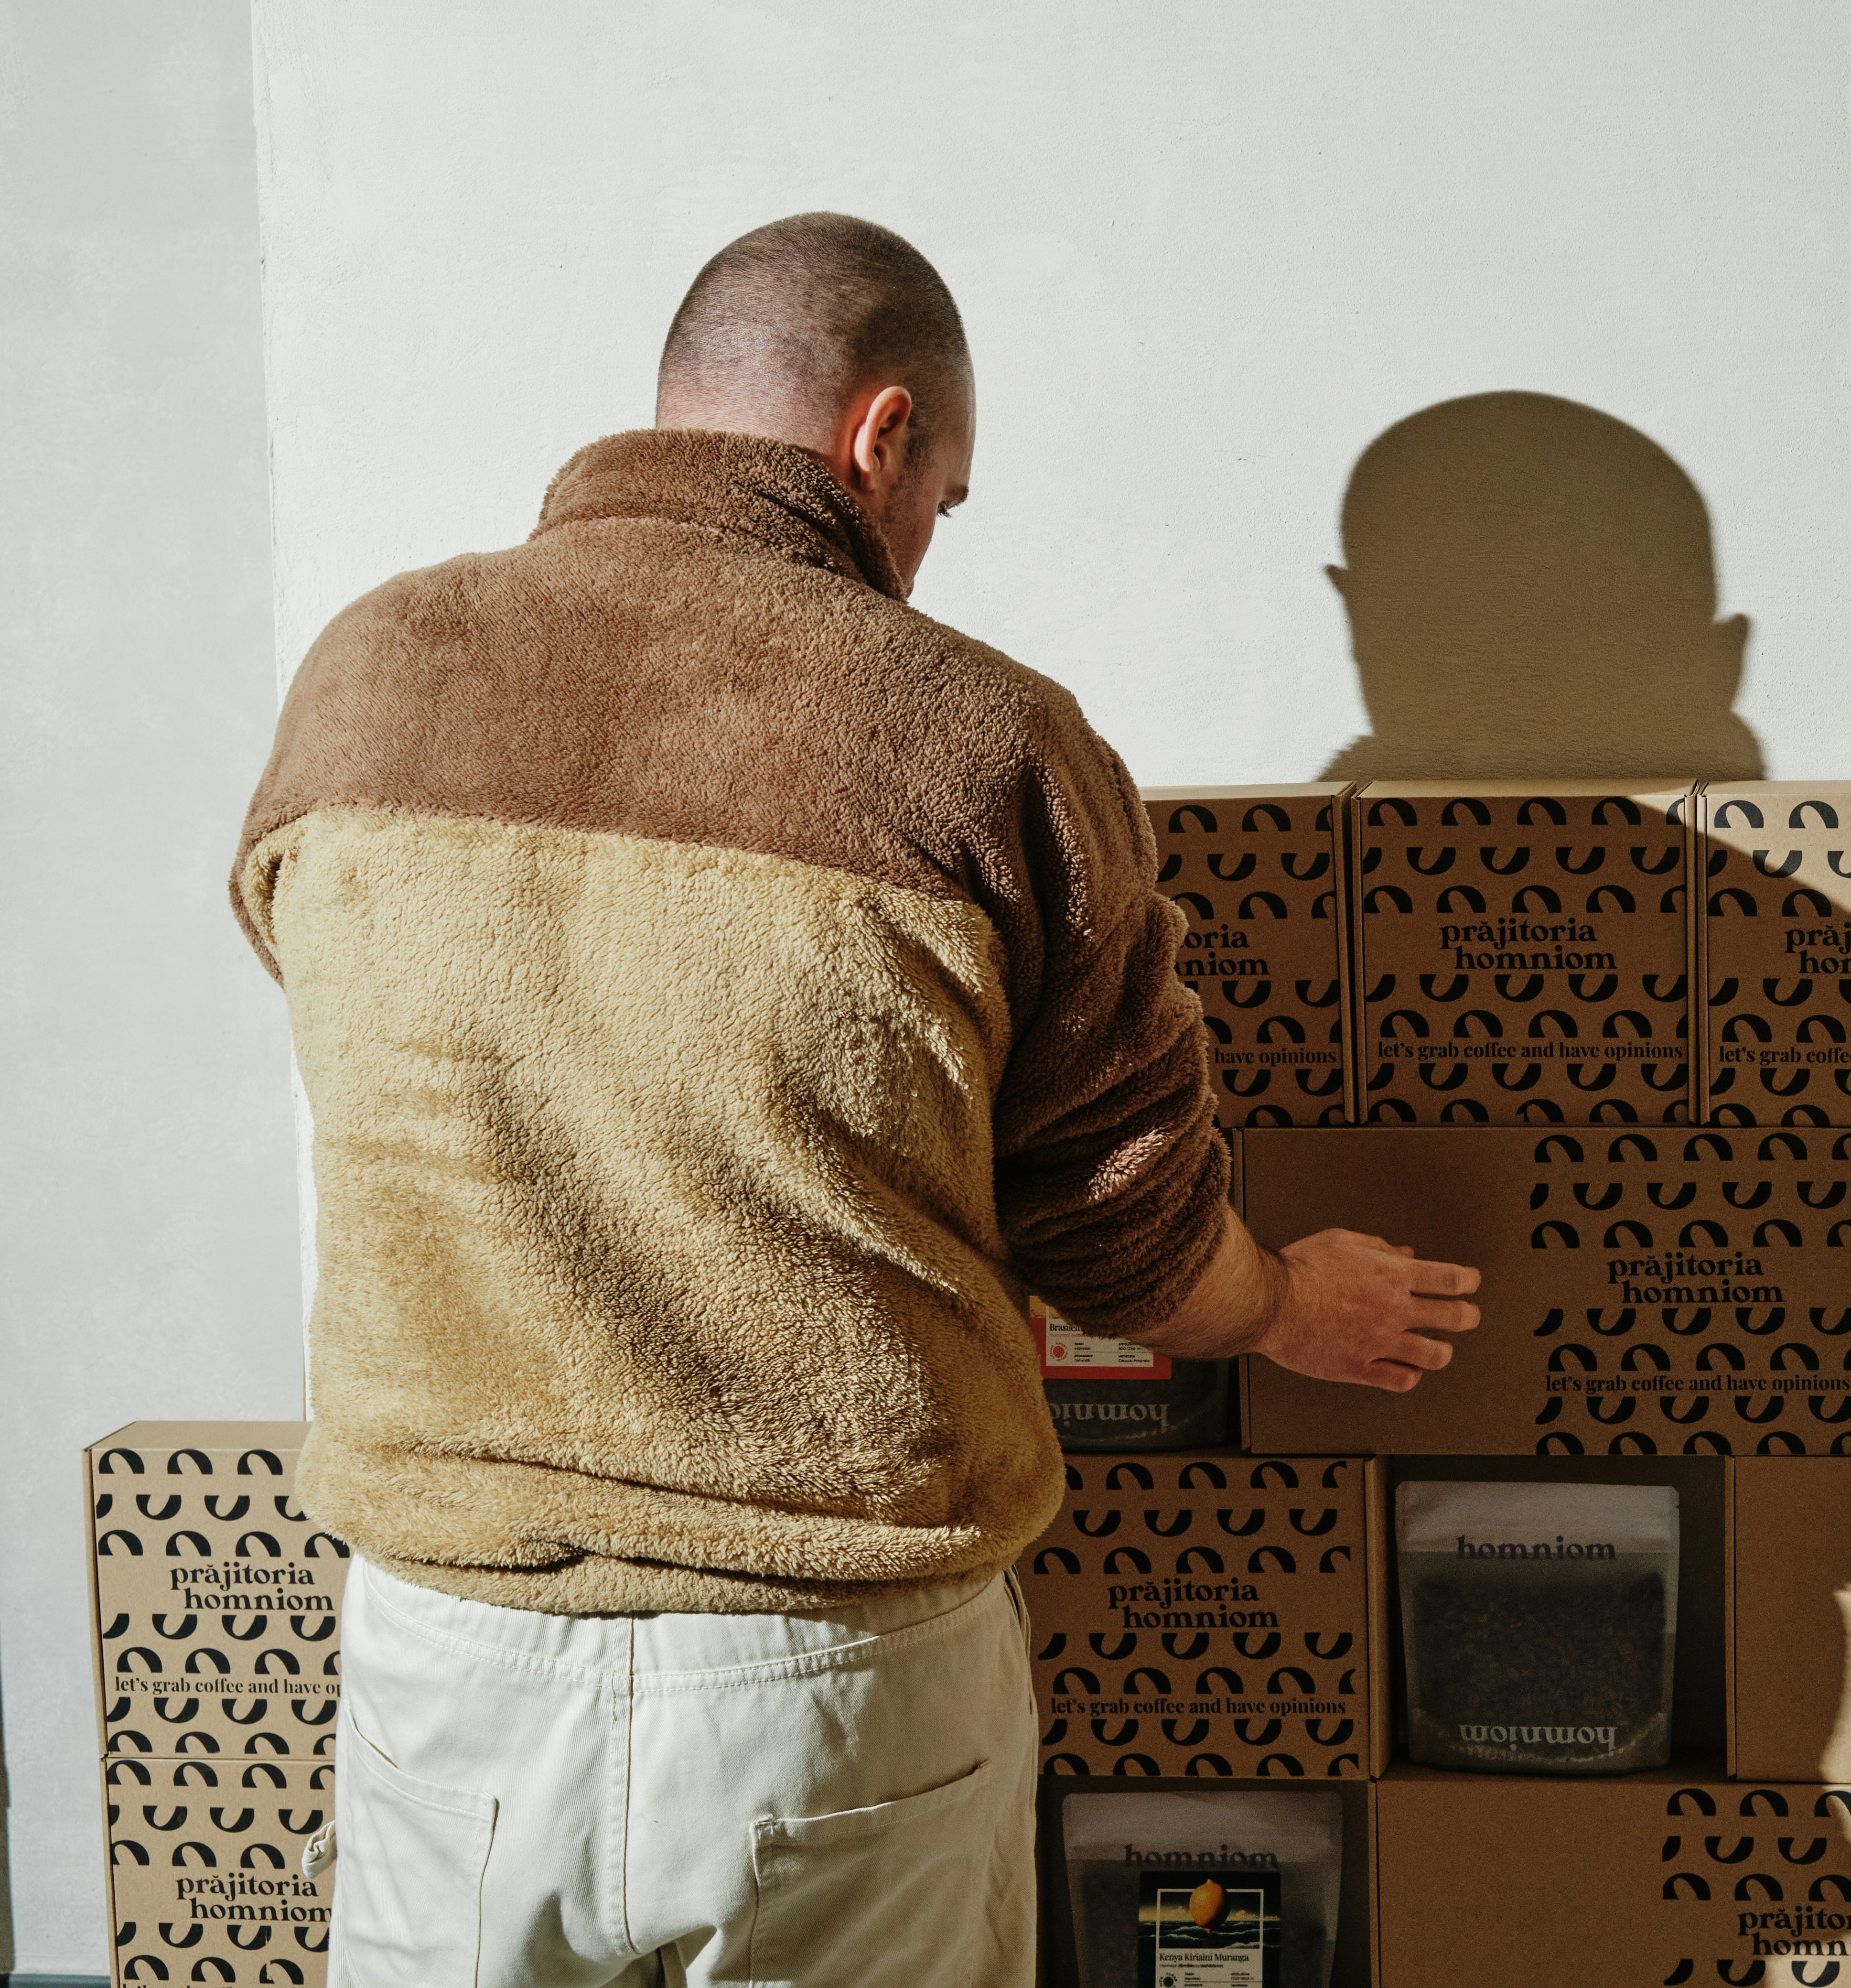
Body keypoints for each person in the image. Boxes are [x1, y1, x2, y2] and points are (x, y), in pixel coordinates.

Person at [230, 212, 1479, 1987]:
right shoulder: (982, 742)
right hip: (832, 1678)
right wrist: (1281, 1301)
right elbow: (1115, 1224)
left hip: (454, 1651)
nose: (922, 549)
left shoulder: (365, 679)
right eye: (943, 502)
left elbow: (353, 1005)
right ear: (881, 436)